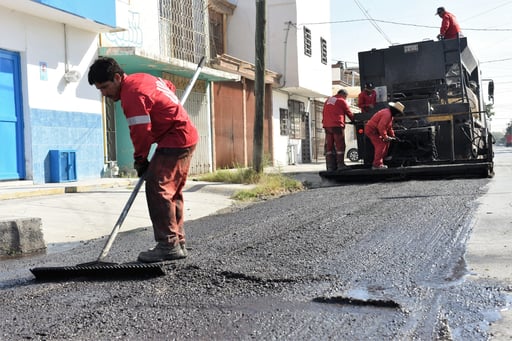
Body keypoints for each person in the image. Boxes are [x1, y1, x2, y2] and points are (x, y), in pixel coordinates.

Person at [87, 57, 198, 263]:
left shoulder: (132, 94)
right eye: (99, 89)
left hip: (175, 138)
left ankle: (168, 244)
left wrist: (140, 160)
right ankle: (177, 242)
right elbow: (168, 86)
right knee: (172, 191)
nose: (103, 93)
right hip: (184, 135)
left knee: (158, 187)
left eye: (105, 87)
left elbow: (141, 132)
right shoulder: (143, 78)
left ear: (118, 77)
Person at [322, 88, 355, 171]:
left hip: (327, 125)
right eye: (346, 97)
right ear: (344, 95)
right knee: (340, 145)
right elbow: (348, 112)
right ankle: (340, 165)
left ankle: (330, 166)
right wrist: (354, 120)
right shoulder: (341, 100)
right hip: (337, 125)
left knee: (329, 146)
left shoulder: (328, 100)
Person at [364, 102, 404, 170]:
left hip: (375, 131)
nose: (398, 115)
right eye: (398, 113)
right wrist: (385, 137)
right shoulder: (387, 115)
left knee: (386, 143)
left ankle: (381, 160)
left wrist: (393, 136)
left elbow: (389, 128)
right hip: (372, 131)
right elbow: (381, 127)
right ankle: (376, 165)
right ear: (396, 111)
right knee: (381, 144)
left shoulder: (389, 115)